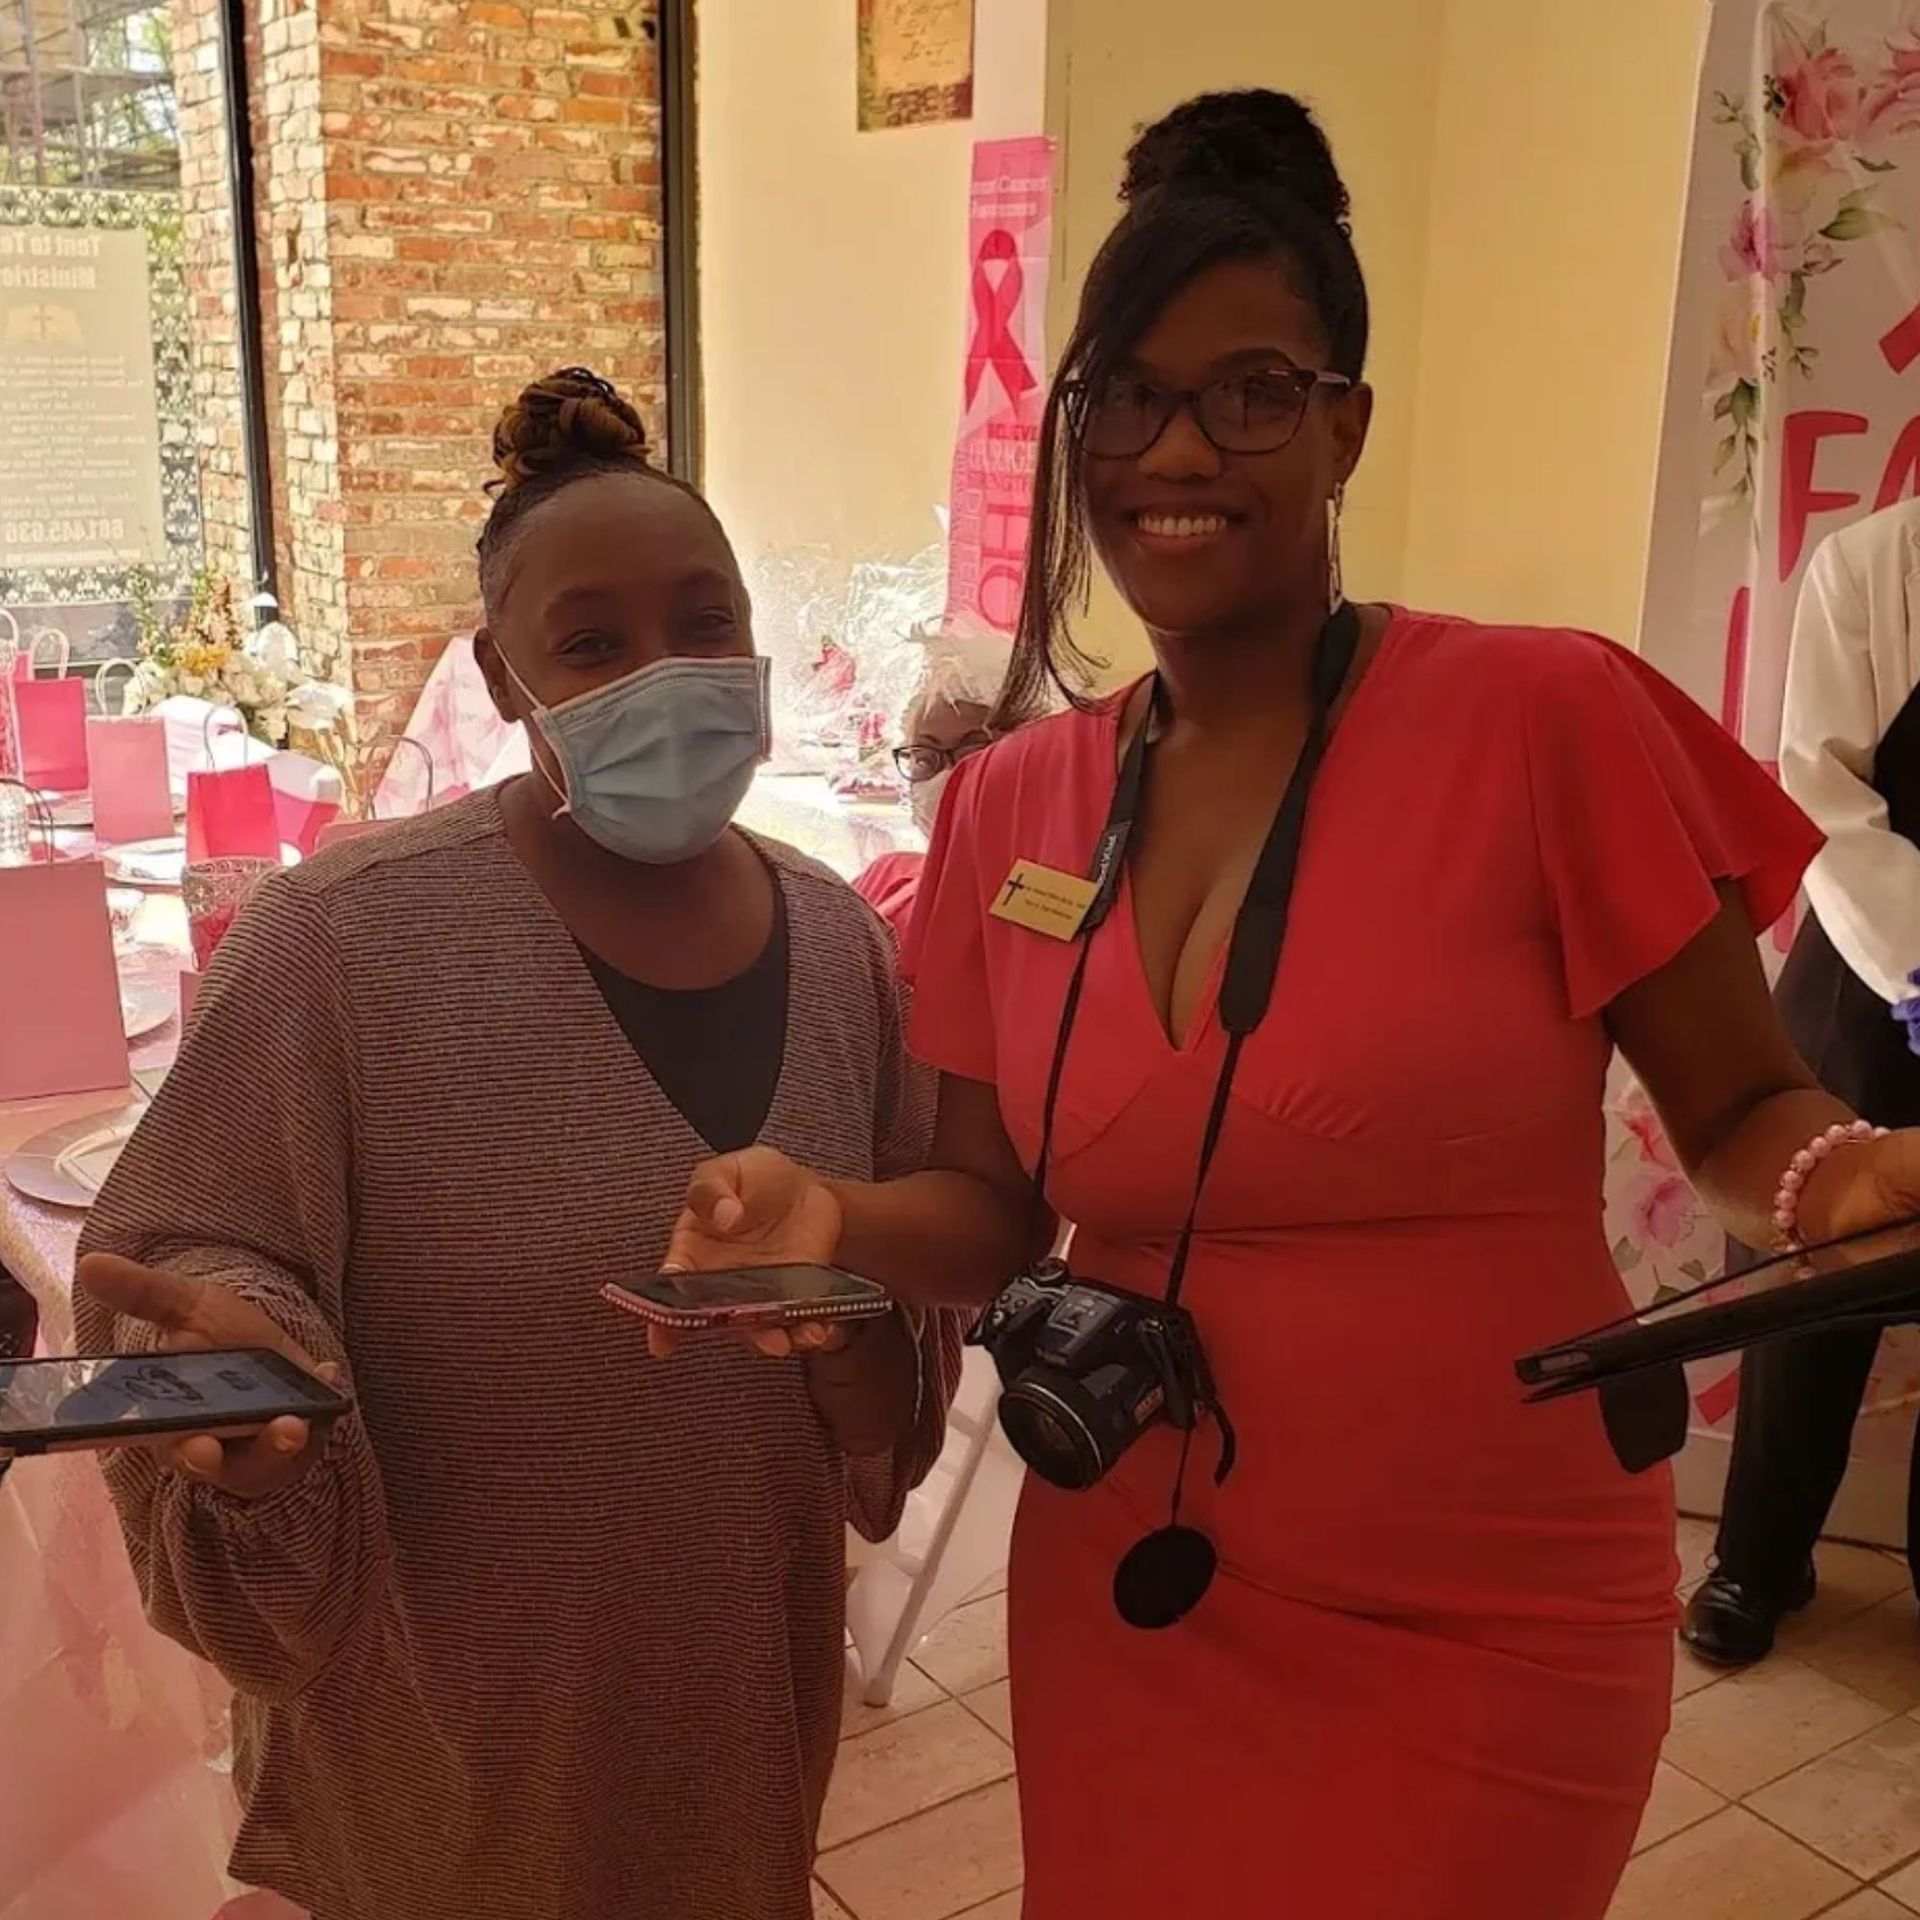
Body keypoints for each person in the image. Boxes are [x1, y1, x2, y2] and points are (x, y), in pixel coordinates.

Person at [655, 93, 1920, 1919]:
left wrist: (1836, 1176)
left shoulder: (1542, 720)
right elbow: (995, 1210)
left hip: (1486, 1600)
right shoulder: (1010, 806)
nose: (1184, 449)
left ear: (1345, 426)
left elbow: (1737, 1112)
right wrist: (828, 1218)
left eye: (1251, 390)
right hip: (1133, 1580)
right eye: (1129, 397)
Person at [72, 368, 962, 1920]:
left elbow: (889, 1397)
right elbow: (197, 1250)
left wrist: (841, 1330)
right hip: (438, 1765)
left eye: (705, 622)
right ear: (503, 675)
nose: (668, 675)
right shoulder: (338, 943)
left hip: (731, 1744)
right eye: (596, 644)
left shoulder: (839, 950)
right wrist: (251, 1379)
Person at [1685, 496, 1920, 1664]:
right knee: (1808, 1285)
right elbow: (1824, 794)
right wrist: (1918, 961)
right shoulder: (1873, 564)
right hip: (1875, 981)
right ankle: (1758, 1561)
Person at [853, 627, 1003, 935]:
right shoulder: (885, 879)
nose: (946, 778)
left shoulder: (1051, 908)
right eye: (924, 756)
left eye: (973, 752)